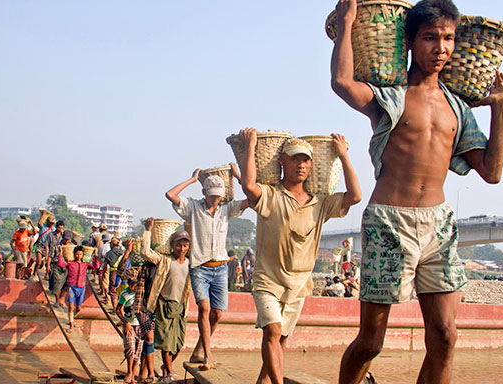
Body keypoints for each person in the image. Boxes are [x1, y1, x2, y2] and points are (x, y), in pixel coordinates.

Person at [331, 0, 503, 383]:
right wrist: (346, 24)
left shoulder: (458, 109)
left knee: (445, 336)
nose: (441, 48)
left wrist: (499, 108)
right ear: (410, 41)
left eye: (448, 38)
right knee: (371, 341)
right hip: (389, 223)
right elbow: (344, 83)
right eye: (430, 37)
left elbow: (492, 172)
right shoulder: (392, 97)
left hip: (439, 225)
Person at [239, 129, 362, 384]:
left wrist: (343, 157)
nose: (301, 164)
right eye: (295, 159)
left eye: (306, 160)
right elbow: (249, 186)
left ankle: (263, 381)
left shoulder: (320, 202)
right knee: (272, 331)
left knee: (281, 338)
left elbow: (355, 196)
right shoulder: (270, 194)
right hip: (268, 278)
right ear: (282, 161)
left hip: (299, 282)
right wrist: (250, 147)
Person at [165, 165, 248, 369]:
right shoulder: (193, 207)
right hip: (200, 267)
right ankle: (207, 356)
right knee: (204, 307)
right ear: (204, 193)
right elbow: (170, 194)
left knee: (217, 313)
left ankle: (199, 349)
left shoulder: (226, 210)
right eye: (211, 195)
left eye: (218, 196)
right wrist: (192, 179)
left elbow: (253, 198)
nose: (215, 199)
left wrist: (238, 176)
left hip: (220, 268)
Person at [140, 217, 191, 381]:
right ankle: (168, 371)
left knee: (178, 344)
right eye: (178, 245)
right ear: (172, 246)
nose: (181, 248)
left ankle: (165, 366)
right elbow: (146, 253)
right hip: (164, 304)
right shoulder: (165, 260)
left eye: (184, 245)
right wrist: (148, 230)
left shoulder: (190, 263)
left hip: (181, 307)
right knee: (166, 343)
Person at [115, 256, 141, 384]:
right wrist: (126, 323)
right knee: (130, 349)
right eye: (132, 284)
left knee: (138, 351)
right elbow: (118, 310)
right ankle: (129, 372)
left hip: (140, 325)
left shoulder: (140, 293)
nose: (133, 287)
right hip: (130, 324)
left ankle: (133, 374)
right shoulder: (125, 294)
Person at [57, 245, 94, 332]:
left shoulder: (85, 264)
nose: (78, 256)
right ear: (74, 254)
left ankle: (72, 318)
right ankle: (71, 326)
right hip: (72, 287)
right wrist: (60, 254)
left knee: (78, 308)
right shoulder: (71, 264)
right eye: (77, 254)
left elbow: (96, 266)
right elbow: (61, 264)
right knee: (70, 306)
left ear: (83, 255)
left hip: (81, 288)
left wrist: (95, 255)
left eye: (80, 254)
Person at [49, 229, 72, 308]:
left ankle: (62, 300)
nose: (66, 241)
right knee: (57, 283)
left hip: (67, 267)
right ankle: (57, 300)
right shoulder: (56, 245)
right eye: (65, 239)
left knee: (66, 284)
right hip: (57, 266)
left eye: (68, 240)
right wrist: (48, 265)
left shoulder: (71, 246)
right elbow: (50, 255)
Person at [30, 215, 56, 280]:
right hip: (40, 246)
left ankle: (47, 275)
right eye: (50, 223)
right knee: (38, 262)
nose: (51, 224)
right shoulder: (43, 227)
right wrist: (43, 214)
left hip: (47, 247)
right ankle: (34, 273)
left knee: (47, 263)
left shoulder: (53, 229)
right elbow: (39, 223)